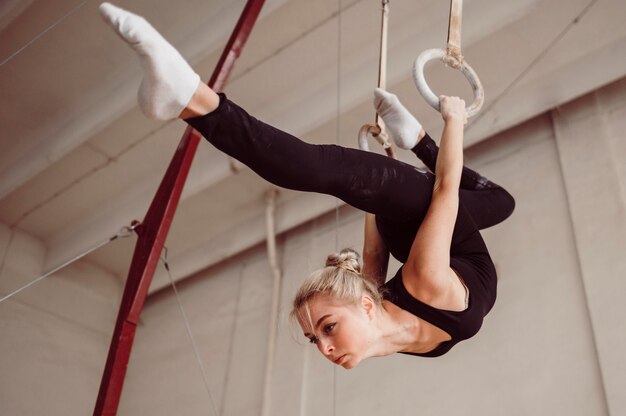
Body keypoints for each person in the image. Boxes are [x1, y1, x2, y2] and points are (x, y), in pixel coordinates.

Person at [99, 3, 515, 368]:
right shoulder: (426, 281)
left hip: (418, 230)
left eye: (317, 336)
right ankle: (190, 95)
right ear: (366, 308)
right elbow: (445, 189)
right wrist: (453, 122)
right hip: (437, 225)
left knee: (498, 201)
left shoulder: (376, 308)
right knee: (317, 169)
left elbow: (375, 251)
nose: (325, 348)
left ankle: (188, 102)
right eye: (327, 329)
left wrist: (379, 181)